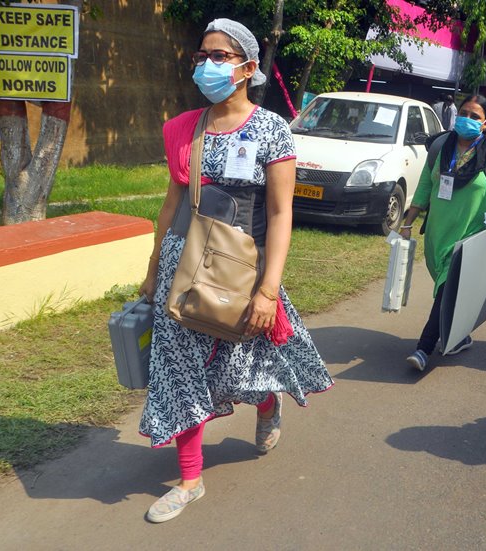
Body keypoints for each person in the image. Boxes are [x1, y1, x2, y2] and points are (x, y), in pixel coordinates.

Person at [137, 19, 333, 523]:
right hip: (183, 268)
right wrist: (153, 268)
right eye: (203, 55)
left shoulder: (270, 128)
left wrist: (268, 291)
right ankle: (189, 479)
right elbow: (171, 203)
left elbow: (281, 213)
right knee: (177, 369)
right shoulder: (183, 127)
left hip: (243, 271)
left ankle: (267, 405)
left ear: (247, 67)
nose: (207, 64)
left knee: (241, 366)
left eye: (219, 56)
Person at [398, 95, 486, 371]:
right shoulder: (441, 147)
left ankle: (424, 349)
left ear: (485, 123)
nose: (467, 120)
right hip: (437, 235)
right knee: (446, 288)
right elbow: (425, 185)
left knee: (447, 288)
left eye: (474, 116)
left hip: (468, 237)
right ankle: (459, 336)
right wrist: (409, 221)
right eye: (463, 113)